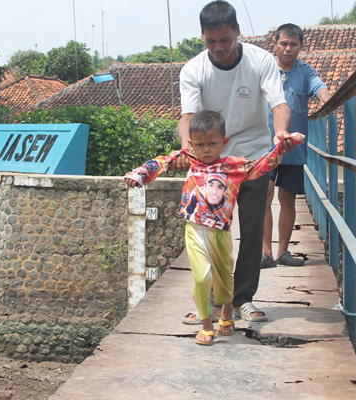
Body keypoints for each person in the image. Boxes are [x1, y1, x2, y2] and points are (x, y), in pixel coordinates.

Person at [124, 111, 304, 346]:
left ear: (224, 142)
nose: (206, 149)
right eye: (200, 144)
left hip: (220, 233)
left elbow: (261, 166)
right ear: (191, 144)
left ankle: (227, 310)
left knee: (223, 279)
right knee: (202, 277)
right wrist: (139, 174)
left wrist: (283, 148)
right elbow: (160, 162)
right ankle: (207, 325)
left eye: (212, 144)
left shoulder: (232, 167)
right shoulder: (189, 159)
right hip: (195, 231)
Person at [174, 0, 294, 323]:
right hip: (214, 162)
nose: (219, 48)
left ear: (238, 32)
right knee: (212, 230)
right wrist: (187, 146)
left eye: (225, 40)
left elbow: (278, 105)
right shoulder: (193, 70)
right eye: (210, 41)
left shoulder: (261, 61)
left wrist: (281, 133)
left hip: (254, 156)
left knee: (253, 227)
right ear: (202, 37)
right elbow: (187, 117)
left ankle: (243, 298)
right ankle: (213, 300)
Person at [261, 23, 332, 269]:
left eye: (293, 44)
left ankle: (282, 252)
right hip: (265, 146)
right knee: (264, 196)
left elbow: (319, 88)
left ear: (301, 46)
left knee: (287, 198)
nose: (288, 49)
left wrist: (326, 99)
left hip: (293, 147)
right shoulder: (264, 68)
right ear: (275, 44)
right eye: (284, 43)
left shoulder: (305, 71)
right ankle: (265, 252)